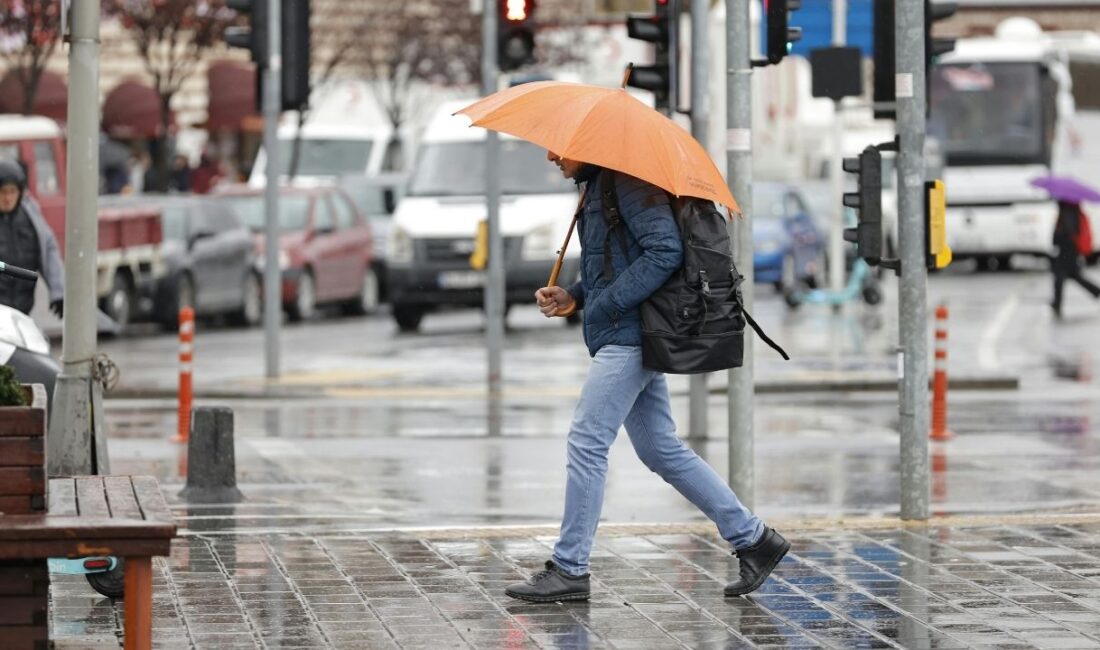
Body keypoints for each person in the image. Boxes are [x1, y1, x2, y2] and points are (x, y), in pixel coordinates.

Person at [503, 152, 789, 603]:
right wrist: (574, 296)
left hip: (630, 336)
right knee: (660, 448)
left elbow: (665, 251)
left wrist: (607, 304)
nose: (552, 155)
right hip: (626, 332)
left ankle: (570, 567)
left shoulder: (628, 182)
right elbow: (617, 263)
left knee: (587, 441)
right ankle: (754, 539)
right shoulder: (599, 185)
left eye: (560, 148)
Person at [0, 161, 64, 317]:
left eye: (12, 191)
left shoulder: (31, 217)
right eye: (2, 192)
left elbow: (49, 249)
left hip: (22, 312)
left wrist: (59, 292)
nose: (7, 198)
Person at [1050, 200, 1100, 318]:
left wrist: (1057, 236)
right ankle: (1096, 291)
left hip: (1067, 252)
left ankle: (1057, 303)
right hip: (1070, 252)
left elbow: (1061, 236)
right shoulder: (1072, 211)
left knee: (1061, 277)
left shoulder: (1067, 213)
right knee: (1072, 276)